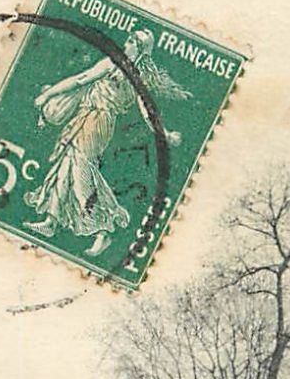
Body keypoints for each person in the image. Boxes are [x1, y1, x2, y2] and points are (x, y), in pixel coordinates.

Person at [22, 28, 191, 258]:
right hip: (89, 117)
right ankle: (51, 220)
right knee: (68, 166)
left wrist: (48, 94)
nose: (127, 43)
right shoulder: (125, 69)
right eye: (129, 39)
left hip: (97, 122)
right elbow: (84, 80)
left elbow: (144, 110)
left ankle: (102, 229)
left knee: (82, 170)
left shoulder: (118, 67)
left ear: (140, 50)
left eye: (133, 41)